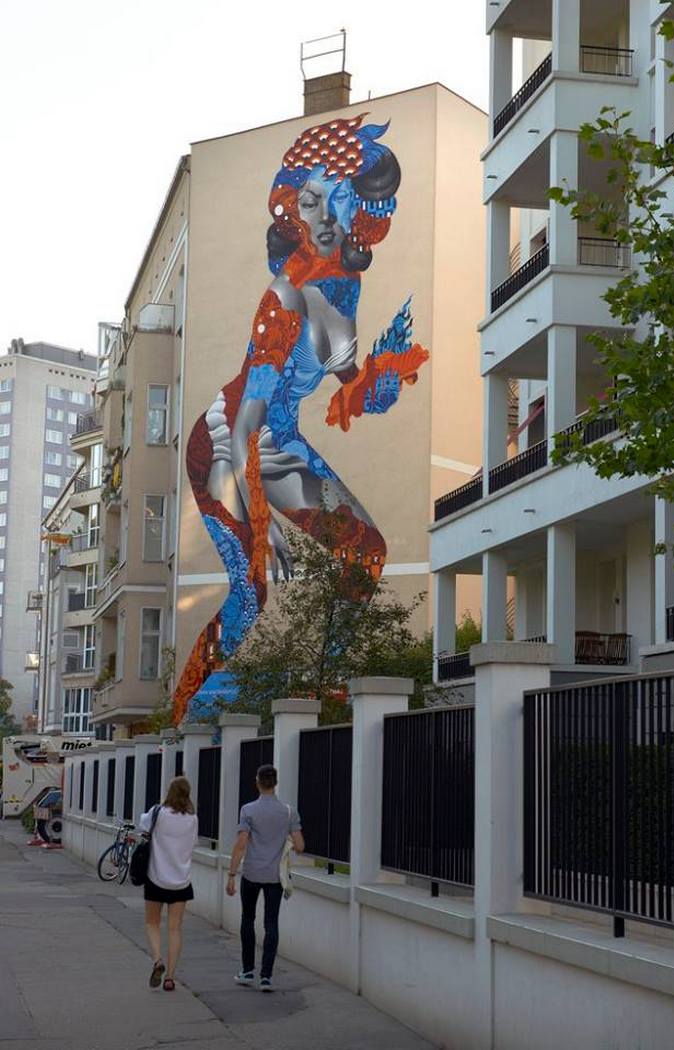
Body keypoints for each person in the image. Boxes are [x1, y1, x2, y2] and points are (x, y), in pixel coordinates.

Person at [171, 113, 429, 725]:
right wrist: (262, 523)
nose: (324, 214)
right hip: (226, 443)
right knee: (250, 592)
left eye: (334, 197)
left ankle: (326, 689)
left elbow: (348, 382)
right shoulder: (282, 299)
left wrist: (381, 380)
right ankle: (185, 715)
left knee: (365, 552)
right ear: (294, 210)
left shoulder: (343, 283)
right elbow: (245, 426)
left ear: (356, 202)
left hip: (278, 438)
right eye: (309, 201)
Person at [225, 764, 304, 991]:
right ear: (275, 783)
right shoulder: (288, 812)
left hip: (251, 873)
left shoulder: (248, 810)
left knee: (247, 919)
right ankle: (266, 977)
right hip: (275, 877)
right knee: (271, 923)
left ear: (257, 782)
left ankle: (247, 971)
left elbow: (241, 844)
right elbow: (300, 846)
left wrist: (231, 874)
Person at [139, 775, 198, 992]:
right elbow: (193, 844)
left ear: (169, 792)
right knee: (175, 929)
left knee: (152, 923)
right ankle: (170, 978)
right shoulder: (192, 819)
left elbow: (142, 824)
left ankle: (157, 960)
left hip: (156, 878)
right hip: (181, 882)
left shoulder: (158, 813)